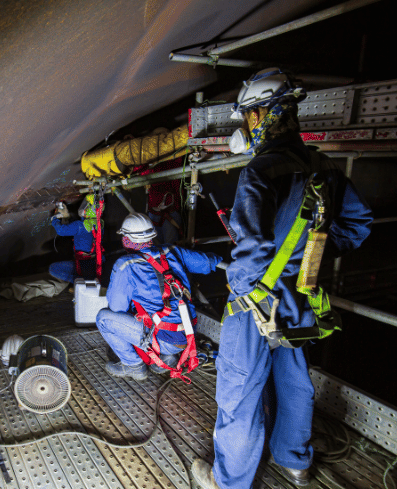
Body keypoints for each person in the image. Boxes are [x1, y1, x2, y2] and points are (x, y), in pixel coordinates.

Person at [191, 69, 373, 489]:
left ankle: (229, 480)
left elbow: (251, 246)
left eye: (248, 117)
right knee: (293, 381)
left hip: (255, 300)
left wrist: (241, 293)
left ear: (259, 115)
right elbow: (358, 225)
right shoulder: (323, 166)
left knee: (239, 390)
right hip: (299, 297)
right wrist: (311, 260)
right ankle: (295, 461)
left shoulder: (262, 170)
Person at [96, 212, 222, 381]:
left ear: (126, 238)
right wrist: (223, 259)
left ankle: (133, 365)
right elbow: (207, 263)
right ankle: (166, 357)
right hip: (188, 334)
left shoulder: (126, 264)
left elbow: (117, 308)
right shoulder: (171, 249)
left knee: (104, 318)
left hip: (163, 336)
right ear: (152, 235)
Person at [48, 195, 102, 283]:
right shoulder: (99, 224)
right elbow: (79, 228)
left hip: (83, 264)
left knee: (53, 269)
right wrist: (68, 216)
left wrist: (54, 218)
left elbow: (61, 231)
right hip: (96, 263)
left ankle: (78, 282)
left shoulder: (80, 225)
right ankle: (83, 280)